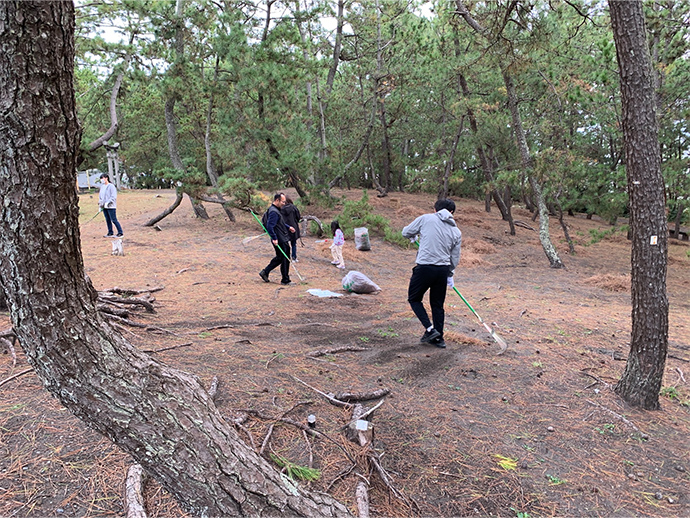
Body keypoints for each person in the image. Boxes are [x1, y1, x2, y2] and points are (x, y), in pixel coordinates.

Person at [402, 199, 462, 349]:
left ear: (435, 209)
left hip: (425, 268)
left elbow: (405, 232)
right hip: (442, 270)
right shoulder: (456, 231)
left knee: (414, 299)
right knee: (437, 305)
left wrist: (413, 236)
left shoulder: (426, 218)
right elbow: (455, 257)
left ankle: (430, 330)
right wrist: (450, 273)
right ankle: (439, 339)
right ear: (452, 213)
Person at [259, 193, 296, 285]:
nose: (284, 203)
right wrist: (274, 238)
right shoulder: (273, 212)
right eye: (283, 202)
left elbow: (279, 222)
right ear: (277, 201)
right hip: (280, 239)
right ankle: (285, 280)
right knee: (285, 258)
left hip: (281, 237)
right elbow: (270, 226)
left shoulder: (275, 210)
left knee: (280, 257)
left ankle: (265, 272)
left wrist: (288, 227)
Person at [98, 173, 123, 237]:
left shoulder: (111, 186)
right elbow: (101, 197)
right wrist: (100, 205)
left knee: (113, 219)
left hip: (111, 206)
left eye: (103, 178)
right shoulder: (102, 187)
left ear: (106, 178)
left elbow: (113, 196)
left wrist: (108, 202)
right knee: (107, 219)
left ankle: (120, 232)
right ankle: (110, 232)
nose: (102, 180)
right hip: (104, 206)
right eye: (101, 179)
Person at [281, 195, 301, 262]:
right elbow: (298, 217)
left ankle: (286, 257)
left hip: (285, 227)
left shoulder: (282, 209)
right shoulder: (294, 208)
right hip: (294, 227)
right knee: (293, 243)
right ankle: (294, 257)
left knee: (285, 244)